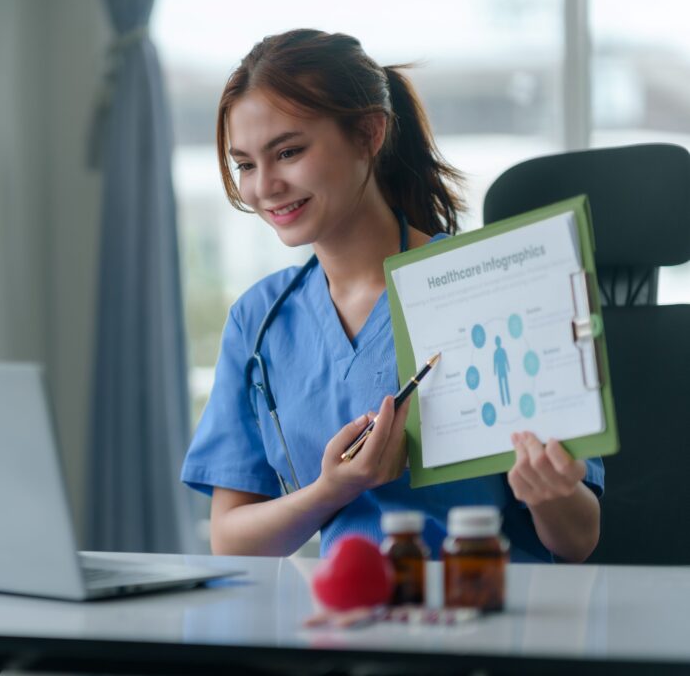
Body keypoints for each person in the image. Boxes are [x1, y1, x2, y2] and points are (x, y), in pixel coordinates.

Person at [180, 29, 603, 562]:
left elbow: (579, 539)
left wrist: (553, 493)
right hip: (350, 622)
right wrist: (333, 488)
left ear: (369, 134)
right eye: (245, 164)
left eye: (288, 152)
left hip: (491, 616)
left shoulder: (491, 283)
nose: (264, 186)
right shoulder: (259, 320)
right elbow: (232, 541)